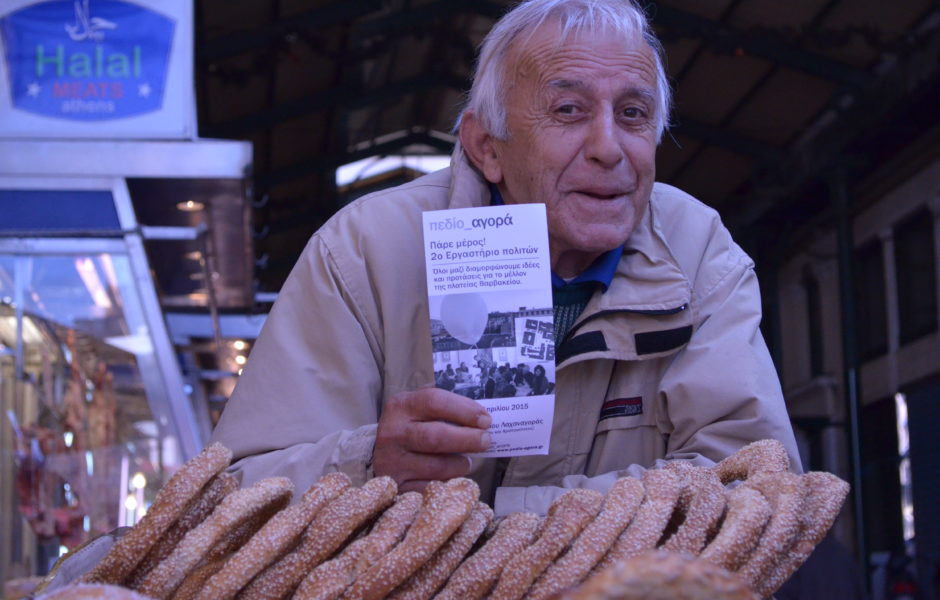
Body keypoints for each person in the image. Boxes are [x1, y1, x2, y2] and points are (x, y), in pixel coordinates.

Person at [210, 0, 800, 516]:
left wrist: (496, 518)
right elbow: (238, 493)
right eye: (568, 111)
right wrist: (364, 465)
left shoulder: (698, 251)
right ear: (486, 148)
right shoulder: (365, 248)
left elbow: (755, 484)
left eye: (633, 114)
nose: (608, 148)